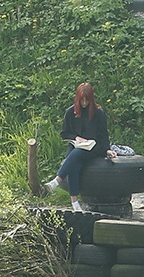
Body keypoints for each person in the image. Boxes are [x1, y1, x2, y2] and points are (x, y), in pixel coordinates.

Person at [43, 82, 117, 210]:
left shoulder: (99, 112)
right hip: (77, 145)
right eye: (82, 100)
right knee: (74, 160)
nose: (84, 103)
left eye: (86, 100)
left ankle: (57, 181)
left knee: (75, 155)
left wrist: (107, 150)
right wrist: (76, 138)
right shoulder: (71, 112)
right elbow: (64, 133)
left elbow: (103, 134)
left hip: (94, 147)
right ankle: (75, 202)